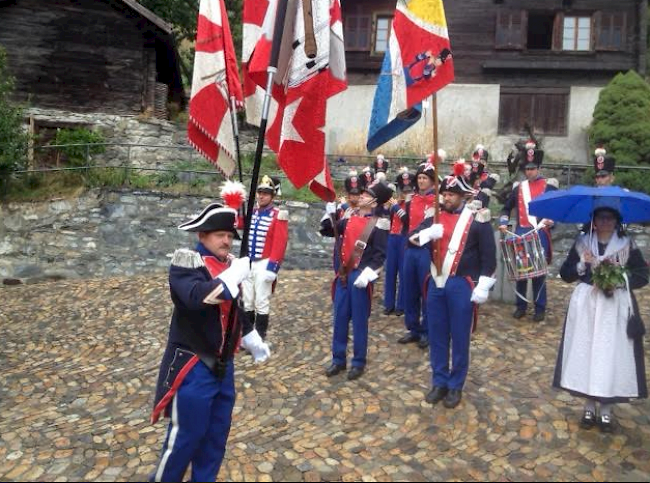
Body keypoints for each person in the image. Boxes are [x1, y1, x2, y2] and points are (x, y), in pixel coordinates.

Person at [150, 203, 270, 482]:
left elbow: (233, 310)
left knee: (216, 438)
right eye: (219, 235)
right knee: (184, 439)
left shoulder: (230, 265)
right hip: (193, 364)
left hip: (223, 366)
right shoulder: (187, 262)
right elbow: (196, 297)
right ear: (202, 235)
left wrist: (250, 335)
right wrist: (233, 276)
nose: (227, 241)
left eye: (230, 235)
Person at [554, 207, 648, 432]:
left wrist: (620, 278)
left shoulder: (626, 245)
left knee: (609, 355)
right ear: (594, 220)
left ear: (617, 221)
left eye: (610, 218)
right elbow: (565, 274)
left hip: (615, 306)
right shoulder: (582, 243)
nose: (605, 222)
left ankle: (606, 409)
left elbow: (643, 275)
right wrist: (581, 265)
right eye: (601, 217)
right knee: (586, 354)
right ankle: (588, 406)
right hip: (587, 304)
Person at [410, 172, 496, 408]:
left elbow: (489, 258)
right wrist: (427, 233)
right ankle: (439, 382)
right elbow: (411, 239)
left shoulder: (477, 220)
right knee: (437, 335)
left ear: (461, 196)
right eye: (445, 194)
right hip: (436, 282)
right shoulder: (434, 217)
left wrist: (484, 285)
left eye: (451, 194)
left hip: (461, 284)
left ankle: (456, 384)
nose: (446, 198)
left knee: (459, 337)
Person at [325, 181, 392, 381]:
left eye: (366, 195)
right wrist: (328, 214)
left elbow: (380, 255)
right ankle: (338, 359)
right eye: (362, 194)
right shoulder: (349, 217)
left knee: (360, 322)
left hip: (360, 275)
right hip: (344, 274)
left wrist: (368, 274)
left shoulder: (379, 223)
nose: (361, 196)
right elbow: (329, 232)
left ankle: (358, 361)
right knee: (339, 318)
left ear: (373, 202)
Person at [498, 141, 558, 322]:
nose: (529, 172)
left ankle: (540, 308)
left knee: (539, 273)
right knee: (521, 273)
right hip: (521, 232)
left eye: (532, 168)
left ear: (539, 167)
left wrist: (551, 221)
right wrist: (503, 223)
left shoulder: (550, 187)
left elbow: (556, 211)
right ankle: (521, 306)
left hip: (539, 233)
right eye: (526, 168)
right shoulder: (519, 188)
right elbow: (506, 209)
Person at [398, 155, 440, 349]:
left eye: (425, 178)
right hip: (410, 249)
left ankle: (427, 330)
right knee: (409, 289)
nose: (422, 181)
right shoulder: (412, 200)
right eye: (420, 178)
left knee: (426, 291)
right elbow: (407, 223)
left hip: (426, 250)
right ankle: (413, 328)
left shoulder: (437, 201)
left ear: (432, 180)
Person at [241, 175, 289, 341]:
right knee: (247, 301)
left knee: (261, 302)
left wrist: (272, 268)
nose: (261, 196)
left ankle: (259, 338)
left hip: (264, 262)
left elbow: (280, 243)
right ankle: (247, 337)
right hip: (248, 262)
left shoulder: (278, 215)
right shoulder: (251, 212)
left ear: (272, 196)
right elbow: (238, 224)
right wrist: (234, 205)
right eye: (260, 192)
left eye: (266, 193)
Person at [383, 168, 415, 316]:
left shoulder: (411, 204)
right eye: (403, 190)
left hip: (403, 238)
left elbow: (407, 220)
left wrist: (396, 207)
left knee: (403, 272)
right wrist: (388, 207)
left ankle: (401, 305)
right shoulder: (394, 203)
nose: (405, 193)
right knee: (390, 271)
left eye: (408, 190)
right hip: (392, 237)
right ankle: (388, 304)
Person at [321, 170, 363, 273]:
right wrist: (330, 215)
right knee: (339, 277)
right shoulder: (339, 209)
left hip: (359, 248)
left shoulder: (365, 209)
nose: (354, 197)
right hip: (341, 246)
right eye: (352, 194)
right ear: (347, 194)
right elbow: (325, 230)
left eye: (357, 194)